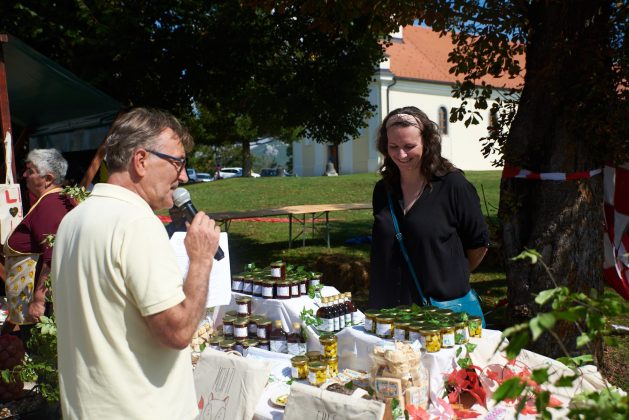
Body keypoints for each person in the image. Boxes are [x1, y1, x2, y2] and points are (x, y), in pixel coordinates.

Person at [51, 108, 221, 419]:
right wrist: (201, 260)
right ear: (141, 160)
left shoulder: (72, 221)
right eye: (178, 162)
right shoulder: (137, 223)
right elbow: (178, 332)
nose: (183, 176)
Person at [368, 106, 489, 309]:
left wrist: (450, 279)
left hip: (441, 310)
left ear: (427, 142)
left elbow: (478, 244)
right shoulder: (383, 190)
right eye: (393, 146)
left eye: (409, 146)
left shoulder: (453, 185)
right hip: (389, 310)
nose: (401, 154)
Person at [3, 149, 75, 339]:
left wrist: (39, 301)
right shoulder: (51, 201)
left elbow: (54, 255)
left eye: (31, 171)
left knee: (37, 349)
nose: (24, 175)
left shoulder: (51, 205)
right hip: (33, 307)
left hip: (39, 312)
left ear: (48, 178)